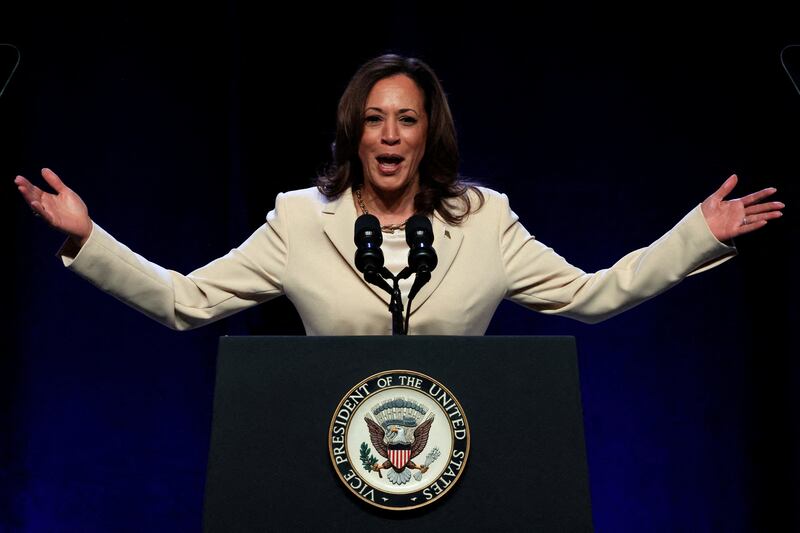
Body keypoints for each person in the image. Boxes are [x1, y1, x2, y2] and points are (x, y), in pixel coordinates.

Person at [14, 54, 784, 335]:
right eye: (374, 120)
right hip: (325, 473)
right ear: (354, 134)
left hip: (466, 475)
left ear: (426, 135)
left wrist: (698, 234)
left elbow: (593, 295)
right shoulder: (297, 220)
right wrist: (89, 236)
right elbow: (185, 300)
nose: (388, 135)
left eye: (405, 120)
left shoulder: (486, 220)